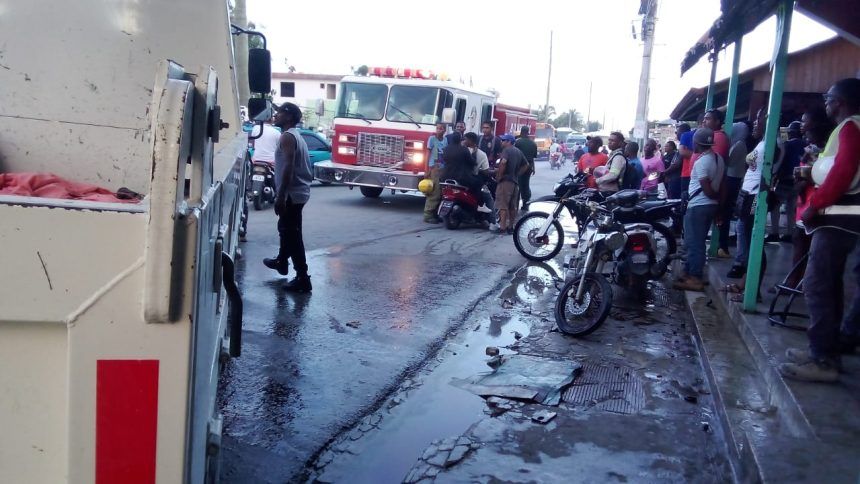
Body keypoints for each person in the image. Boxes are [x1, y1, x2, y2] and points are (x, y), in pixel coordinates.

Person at [780, 78, 860, 383]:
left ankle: (822, 359)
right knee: (829, 284)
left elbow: (844, 170)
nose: (825, 103)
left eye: (828, 98)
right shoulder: (850, 127)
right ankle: (825, 351)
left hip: (838, 214)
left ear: (840, 101)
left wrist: (817, 204)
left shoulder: (850, 127)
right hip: (843, 214)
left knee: (817, 284)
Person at [723, 110, 782, 301]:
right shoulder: (763, 141)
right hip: (748, 193)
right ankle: (745, 283)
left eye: (759, 119)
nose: (754, 123)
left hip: (757, 195)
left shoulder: (774, 144)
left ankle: (752, 291)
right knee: (746, 236)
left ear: (770, 120)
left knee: (754, 241)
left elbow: (770, 172)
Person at [263, 102, 314, 292]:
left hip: (292, 193)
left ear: (290, 117)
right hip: (299, 192)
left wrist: (281, 196)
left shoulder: (287, 137)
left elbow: (288, 167)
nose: (275, 114)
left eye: (280, 112)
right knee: (287, 229)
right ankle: (281, 261)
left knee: (292, 234)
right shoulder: (296, 135)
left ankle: (302, 277)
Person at [785, 106, 835, 288]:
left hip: (815, 202)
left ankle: (799, 281)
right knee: (799, 240)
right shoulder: (810, 147)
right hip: (804, 200)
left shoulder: (824, 148)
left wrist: (801, 181)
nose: (802, 125)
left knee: (806, 243)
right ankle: (796, 279)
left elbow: (814, 176)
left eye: (805, 121)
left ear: (817, 124)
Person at [674, 128, 725, 291]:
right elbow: (720, 186)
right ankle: (689, 274)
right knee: (696, 241)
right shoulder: (718, 159)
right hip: (709, 206)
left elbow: (708, 190)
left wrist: (712, 197)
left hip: (698, 206)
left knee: (694, 243)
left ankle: (695, 277)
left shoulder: (702, 162)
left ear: (696, 143)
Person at [766, 121, 804, 242]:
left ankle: (775, 233)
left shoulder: (786, 145)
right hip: (799, 181)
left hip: (785, 180)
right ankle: (789, 233)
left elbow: (780, 162)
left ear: (791, 132)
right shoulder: (806, 144)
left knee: (775, 206)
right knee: (791, 208)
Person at [718, 121, 751, 258]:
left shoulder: (739, 144)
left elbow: (729, 162)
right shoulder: (738, 143)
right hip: (733, 179)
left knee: (725, 212)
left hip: (733, 180)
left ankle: (723, 246)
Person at [495, 134, 529, 234]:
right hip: (515, 182)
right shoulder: (518, 151)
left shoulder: (506, 151)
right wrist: (518, 174)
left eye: (503, 140)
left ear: (509, 142)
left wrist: (499, 176)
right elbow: (526, 165)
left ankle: (502, 228)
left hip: (506, 182)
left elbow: (503, 163)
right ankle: (511, 227)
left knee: (503, 205)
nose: (501, 142)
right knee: (512, 206)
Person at [463, 132, 495, 216]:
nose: (463, 141)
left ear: (470, 140)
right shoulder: (481, 154)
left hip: (456, 176)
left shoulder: (461, 149)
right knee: (486, 195)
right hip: (470, 178)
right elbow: (486, 171)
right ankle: (482, 207)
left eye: (465, 139)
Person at [423, 122, 448, 223]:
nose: (439, 130)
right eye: (437, 128)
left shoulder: (445, 140)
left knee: (441, 192)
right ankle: (428, 215)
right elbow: (428, 154)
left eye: (441, 128)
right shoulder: (432, 139)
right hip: (433, 168)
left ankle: (435, 213)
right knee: (435, 192)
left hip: (442, 168)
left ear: (444, 130)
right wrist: (426, 169)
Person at [514, 126, 538, 206]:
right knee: (526, 184)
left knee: (518, 184)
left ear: (521, 132)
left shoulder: (518, 142)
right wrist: (533, 168)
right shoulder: (533, 143)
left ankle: (516, 202)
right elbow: (533, 158)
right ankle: (526, 201)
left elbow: (515, 154)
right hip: (529, 167)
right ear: (528, 132)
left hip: (520, 166)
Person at [676, 123, 695, 196]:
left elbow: (678, 162)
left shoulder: (685, 136)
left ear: (682, 131)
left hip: (687, 174)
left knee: (685, 198)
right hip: (690, 174)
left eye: (677, 132)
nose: (677, 134)